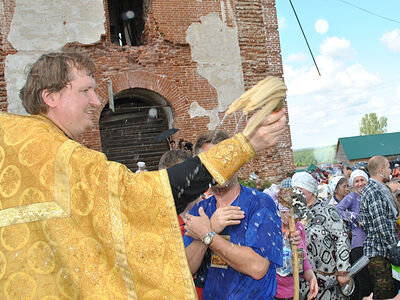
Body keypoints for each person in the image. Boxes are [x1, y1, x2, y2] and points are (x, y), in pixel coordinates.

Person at [0, 51, 287, 299]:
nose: (96, 100)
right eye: (85, 90)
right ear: (50, 96)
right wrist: (245, 144)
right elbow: (143, 197)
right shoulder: (62, 155)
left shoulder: (13, 138)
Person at [184, 131, 290, 299]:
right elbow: (187, 270)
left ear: (236, 162)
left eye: (225, 160)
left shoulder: (261, 204)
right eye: (212, 162)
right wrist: (210, 229)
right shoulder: (200, 211)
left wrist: (208, 235)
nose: (220, 167)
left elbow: (257, 267)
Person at [292, 172, 351, 300]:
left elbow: (341, 239)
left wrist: (343, 270)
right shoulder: (293, 215)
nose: (295, 193)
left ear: (311, 190)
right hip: (303, 284)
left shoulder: (327, 211)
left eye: (299, 189)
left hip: (328, 283)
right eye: (294, 189)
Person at [266, 186, 319, 300]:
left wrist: (311, 277)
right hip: (271, 292)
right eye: (295, 216)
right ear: (282, 210)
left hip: (292, 291)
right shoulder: (269, 226)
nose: (298, 220)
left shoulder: (299, 227)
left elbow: (302, 257)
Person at [359, 156, 400, 299]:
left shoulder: (379, 189)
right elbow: (380, 223)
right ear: (381, 170)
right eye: (389, 167)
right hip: (380, 252)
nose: (391, 170)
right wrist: (394, 248)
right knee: (385, 295)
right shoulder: (374, 191)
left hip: (384, 251)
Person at [336, 169, 372, 300]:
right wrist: (354, 217)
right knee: (363, 281)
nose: (360, 183)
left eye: (362, 180)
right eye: (356, 181)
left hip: (373, 243)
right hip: (358, 244)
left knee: (372, 280)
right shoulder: (352, 197)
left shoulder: (371, 195)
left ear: (367, 181)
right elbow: (336, 210)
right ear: (353, 184)